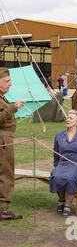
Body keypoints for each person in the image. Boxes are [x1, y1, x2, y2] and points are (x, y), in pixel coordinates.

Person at [50, 110, 77, 216]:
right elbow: (56, 152)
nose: (67, 119)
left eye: (71, 118)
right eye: (67, 117)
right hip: (63, 163)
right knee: (56, 176)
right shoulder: (59, 135)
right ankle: (61, 200)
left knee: (70, 178)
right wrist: (56, 165)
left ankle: (68, 205)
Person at [0, 67, 25, 221]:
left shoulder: (2, 97)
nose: (10, 84)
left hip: (4, 139)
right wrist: (13, 108)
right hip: (3, 141)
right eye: (7, 81)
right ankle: (3, 210)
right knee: (6, 175)